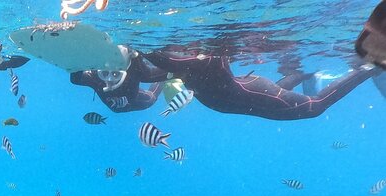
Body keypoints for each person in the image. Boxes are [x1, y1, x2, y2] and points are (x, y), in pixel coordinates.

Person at [143, 48, 377, 121]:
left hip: (252, 93)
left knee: (314, 107)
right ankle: (303, 73)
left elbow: (162, 59)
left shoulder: (208, 59)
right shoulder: (184, 66)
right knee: (281, 96)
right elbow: (148, 74)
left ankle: (369, 67)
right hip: (252, 95)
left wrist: (135, 45)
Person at [70, 45, 170, 113]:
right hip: (117, 108)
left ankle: (165, 82)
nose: (109, 80)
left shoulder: (136, 70)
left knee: (150, 99)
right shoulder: (94, 76)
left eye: (115, 74)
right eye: (104, 73)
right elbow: (75, 78)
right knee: (150, 99)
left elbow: (167, 70)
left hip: (131, 101)